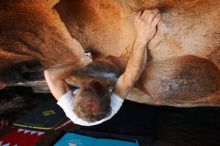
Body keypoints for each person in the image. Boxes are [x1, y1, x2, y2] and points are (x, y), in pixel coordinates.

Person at [44, 9, 162, 126]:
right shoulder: (113, 106)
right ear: (108, 96)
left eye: (87, 87)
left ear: (74, 96)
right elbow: (130, 77)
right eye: (95, 86)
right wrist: (142, 38)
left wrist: (81, 63)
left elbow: (50, 75)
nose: (92, 81)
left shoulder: (69, 107)